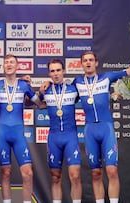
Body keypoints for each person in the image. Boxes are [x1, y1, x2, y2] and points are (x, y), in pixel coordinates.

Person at [71, 36, 130, 203]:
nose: (88, 63)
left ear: (96, 63)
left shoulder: (107, 77)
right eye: (85, 60)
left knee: (112, 171)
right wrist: (46, 87)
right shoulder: (77, 82)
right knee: (95, 173)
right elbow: (62, 95)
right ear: (81, 64)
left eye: (91, 60)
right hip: (90, 131)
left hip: (106, 128)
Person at [0, 54, 45, 203]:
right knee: (6, 172)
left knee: (28, 173)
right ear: (3, 67)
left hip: (18, 133)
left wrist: (45, 90)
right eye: (6, 63)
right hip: (2, 132)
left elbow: (39, 103)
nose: (9, 65)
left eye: (12, 62)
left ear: (17, 66)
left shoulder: (24, 86)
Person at [39, 59, 82, 203]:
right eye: (52, 71)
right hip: (54, 137)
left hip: (70, 136)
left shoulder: (73, 89)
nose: (56, 74)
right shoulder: (45, 91)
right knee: (55, 176)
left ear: (63, 71)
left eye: (58, 70)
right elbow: (34, 104)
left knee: (75, 175)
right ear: (49, 74)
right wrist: (41, 89)